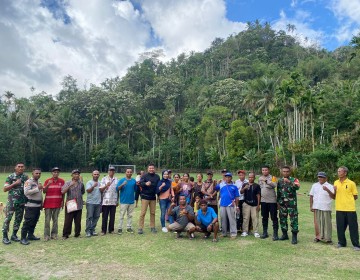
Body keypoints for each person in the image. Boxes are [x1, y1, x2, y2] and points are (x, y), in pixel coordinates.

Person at [334, 166, 360, 250]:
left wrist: (348, 201)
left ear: (345, 173)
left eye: (340, 171)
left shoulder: (351, 183)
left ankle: (356, 245)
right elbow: (334, 195)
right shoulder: (336, 182)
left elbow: (355, 196)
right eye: (338, 171)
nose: (338, 173)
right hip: (339, 208)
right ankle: (341, 243)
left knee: (353, 227)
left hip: (350, 209)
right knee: (340, 227)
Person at [2, 162, 29, 245]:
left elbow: (28, 187)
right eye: (19, 166)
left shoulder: (26, 177)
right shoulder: (10, 177)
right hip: (11, 202)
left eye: (22, 167)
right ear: (15, 168)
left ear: (24, 168)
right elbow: (5, 189)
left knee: (18, 219)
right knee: (8, 219)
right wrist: (15, 183)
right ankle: (5, 237)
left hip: (21, 202)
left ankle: (14, 235)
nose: (20, 168)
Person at [277, 166, 300, 244]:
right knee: (282, 219)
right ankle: (284, 234)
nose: (285, 173)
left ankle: (294, 236)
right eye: (284, 171)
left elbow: (297, 187)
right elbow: (278, 192)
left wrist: (289, 182)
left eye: (287, 171)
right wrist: (278, 203)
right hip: (282, 204)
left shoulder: (294, 180)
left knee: (293, 219)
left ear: (289, 172)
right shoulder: (280, 181)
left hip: (291, 204)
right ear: (282, 172)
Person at [309, 172, 335, 244]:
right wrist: (311, 206)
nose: (320, 178)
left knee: (327, 224)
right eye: (319, 177)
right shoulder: (314, 185)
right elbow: (311, 196)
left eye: (322, 177)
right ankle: (318, 237)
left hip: (326, 207)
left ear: (326, 178)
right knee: (317, 223)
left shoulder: (330, 186)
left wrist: (327, 190)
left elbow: (333, 197)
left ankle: (328, 239)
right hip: (316, 207)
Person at [20, 168, 43, 245]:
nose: (38, 174)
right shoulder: (28, 182)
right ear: (32, 173)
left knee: (34, 221)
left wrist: (41, 202)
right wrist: (37, 189)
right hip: (30, 205)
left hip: (37, 205)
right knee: (28, 221)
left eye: (39, 173)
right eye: (36, 173)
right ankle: (23, 238)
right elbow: (26, 192)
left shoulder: (39, 182)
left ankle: (30, 235)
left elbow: (40, 194)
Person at [61, 169, 85, 239]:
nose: (76, 175)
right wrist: (70, 186)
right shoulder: (68, 182)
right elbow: (63, 191)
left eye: (78, 174)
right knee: (68, 220)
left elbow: (82, 192)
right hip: (71, 204)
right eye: (75, 174)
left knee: (78, 220)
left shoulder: (81, 183)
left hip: (79, 203)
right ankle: (65, 234)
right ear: (72, 175)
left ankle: (77, 233)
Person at [43, 167, 65, 241]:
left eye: (57, 172)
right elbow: (44, 191)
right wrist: (48, 184)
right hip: (48, 203)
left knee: (55, 220)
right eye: (54, 172)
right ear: (51, 173)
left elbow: (63, 192)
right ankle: (46, 235)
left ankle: (54, 234)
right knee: (47, 220)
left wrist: (62, 201)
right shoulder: (47, 181)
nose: (56, 173)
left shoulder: (62, 181)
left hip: (57, 203)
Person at [215, 172, 239, 239]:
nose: (227, 178)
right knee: (223, 219)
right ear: (224, 178)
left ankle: (233, 233)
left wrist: (237, 206)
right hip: (222, 204)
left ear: (231, 178)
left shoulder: (234, 186)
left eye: (229, 177)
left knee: (232, 219)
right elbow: (215, 188)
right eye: (226, 177)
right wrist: (217, 182)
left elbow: (237, 197)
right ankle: (224, 233)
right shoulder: (221, 184)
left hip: (230, 205)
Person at [138, 163, 160, 234]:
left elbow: (158, 187)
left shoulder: (157, 177)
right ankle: (140, 228)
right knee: (143, 213)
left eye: (152, 168)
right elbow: (140, 183)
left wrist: (158, 196)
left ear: (154, 169)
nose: (151, 169)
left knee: (153, 213)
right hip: (145, 197)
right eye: (150, 168)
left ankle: (152, 227)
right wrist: (145, 184)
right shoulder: (144, 176)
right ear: (148, 169)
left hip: (153, 197)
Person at [258, 165, 279, 240]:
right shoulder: (260, 178)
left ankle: (275, 234)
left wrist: (267, 181)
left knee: (274, 217)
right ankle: (265, 232)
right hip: (263, 201)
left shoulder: (273, 177)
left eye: (266, 170)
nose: (264, 171)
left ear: (268, 170)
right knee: (264, 217)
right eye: (263, 170)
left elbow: (274, 185)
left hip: (272, 201)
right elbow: (260, 188)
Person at [116, 168, 137, 234]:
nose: (129, 173)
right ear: (125, 172)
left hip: (131, 201)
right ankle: (120, 228)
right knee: (122, 215)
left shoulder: (134, 180)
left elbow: (136, 190)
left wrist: (138, 185)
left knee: (130, 215)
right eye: (128, 172)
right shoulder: (122, 180)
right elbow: (117, 188)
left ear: (132, 173)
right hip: (123, 201)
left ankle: (129, 227)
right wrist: (122, 184)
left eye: (130, 172)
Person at [240, 172, 261, 238]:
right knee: (246, 218)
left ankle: (256, 232)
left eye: (252, 177)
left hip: (254, 204)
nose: (250, 178)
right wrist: (244, 188)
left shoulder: (257, 186)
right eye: (249, 177)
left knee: (255, 218)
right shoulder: (245, 184)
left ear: (254, 178)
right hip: (246, 203)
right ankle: (245, 231)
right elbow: (241, 192)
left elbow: (258, 195)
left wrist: (258, 205)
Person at [99, 166, 118, 235]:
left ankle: (111, 229)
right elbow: (100, 189)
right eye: (110, 170)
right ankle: (103, 230)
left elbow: (117, 190)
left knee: (112, 216)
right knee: (105, 216)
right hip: (106, 200)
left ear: (114, 172)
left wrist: (117, 200)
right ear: (108, 171)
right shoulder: (104, 179)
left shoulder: (116, 179)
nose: (111, 172)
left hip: (113, 200)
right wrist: (106, 185)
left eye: (113, 171)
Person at [85, 170, 101, 237]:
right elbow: (88, 191)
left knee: (96, 216)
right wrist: (93, 186)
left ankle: (92, 229)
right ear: (92, 175)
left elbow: (102, 191)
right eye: (95, 174)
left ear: (99, 175)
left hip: (98, 202)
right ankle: (88, 231)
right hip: (90, 203)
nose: (96, 175)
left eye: (97, 174)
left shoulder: (100, 183)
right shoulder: (89, 182)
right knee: (89, 217)